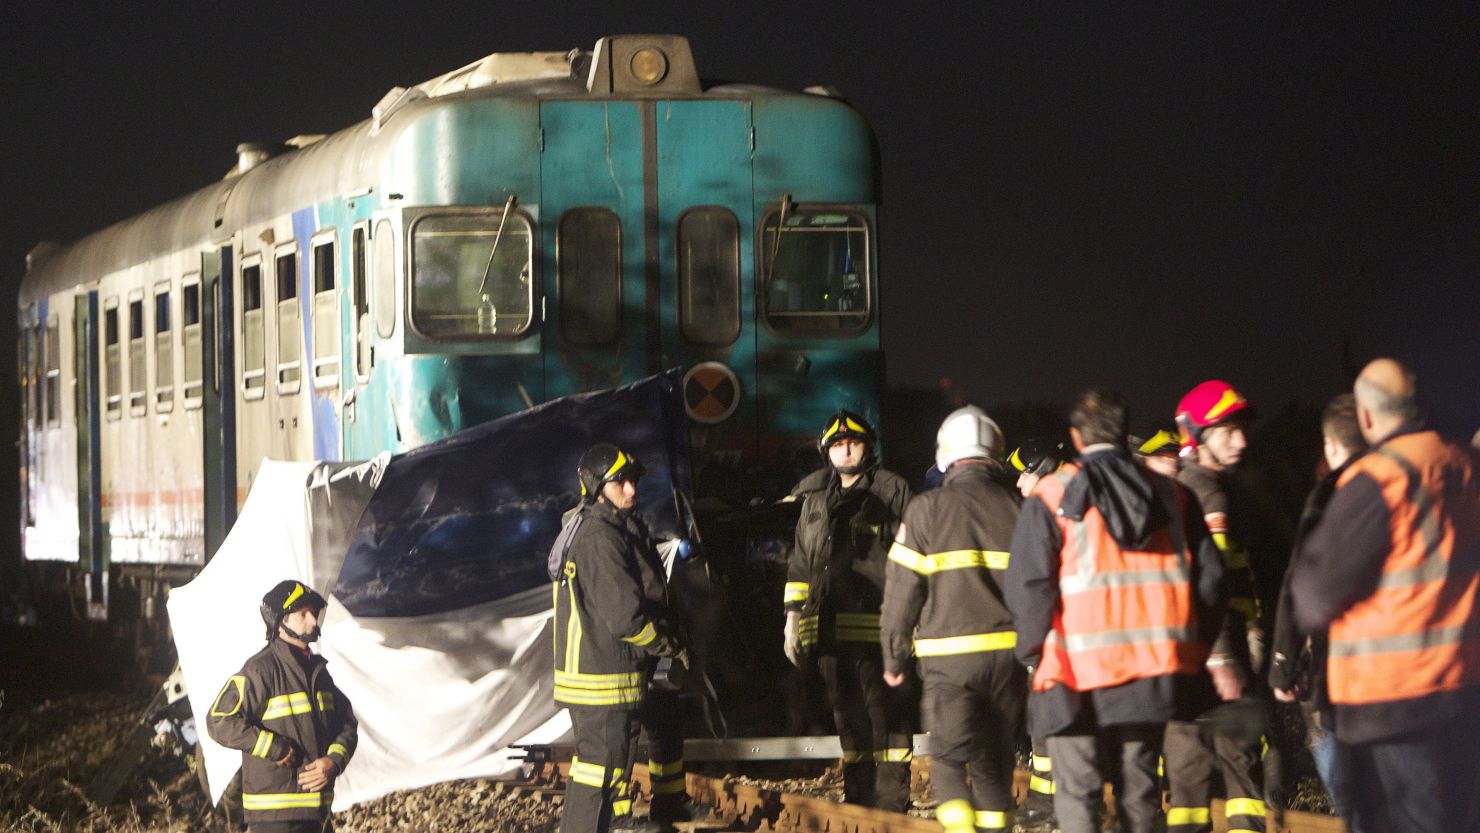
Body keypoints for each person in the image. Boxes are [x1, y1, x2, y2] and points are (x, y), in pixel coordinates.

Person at [1005, 389, 1229, 833]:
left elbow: (1028, 587)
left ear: (1076, 437)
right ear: (1125, 431)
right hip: (1150, 674)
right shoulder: (1172, 495)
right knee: (1140, 793)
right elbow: (1213, 582)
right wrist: (1192, 650)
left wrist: (1034, 654)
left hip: (1072, 675)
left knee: (1078, 796)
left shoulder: (1051, 495)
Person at [1289, 359, 1480, 832]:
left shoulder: (1380, 478)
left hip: (1392, 696)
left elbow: (1315, 593)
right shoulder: (1463, 463)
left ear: (1367, 417)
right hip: (1463, 688)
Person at [880, 406, 1021, 832]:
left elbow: (901, 592)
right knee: (994, 768)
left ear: (946, 454)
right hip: (1010, 661)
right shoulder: (1018, 507)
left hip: (949, 663)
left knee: (946, 762)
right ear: (995, 453)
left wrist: (893, 656)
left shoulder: (926, 509)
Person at [552, 444, 690, 833]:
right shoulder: (600, 537)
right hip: (602, 679)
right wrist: (669, 647)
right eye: (619, 483)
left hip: (609, 677)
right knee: (599, 772)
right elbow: (625, 617)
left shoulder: (610, 528)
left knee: (605, 771)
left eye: (632, 481)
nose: (631, 490)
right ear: (596, 488)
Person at [782, 410, 915, 810]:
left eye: (853, 442)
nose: (846, 450)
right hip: (826, 633)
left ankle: (891, 805)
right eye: (837, 445)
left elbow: (910, 560)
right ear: (827, 452)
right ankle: (858, 800)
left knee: (886, 720)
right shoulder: (815, 501)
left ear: (868, 445)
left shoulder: (891, 491)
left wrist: (911, 623)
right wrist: (791, 621)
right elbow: (801, 565)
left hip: (878, 631)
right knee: (848, 721)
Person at [1163, 379, 1271, 833]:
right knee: (1242, 776)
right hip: (1215, 661)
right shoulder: (1209, 494)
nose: (1240, 440)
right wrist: (1226, 657)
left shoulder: (1182, 487)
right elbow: (1213, 587)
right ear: (1195, 434)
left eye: (1240, 429)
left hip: (1181, 661)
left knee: (1188, 783)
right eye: (1227, 430)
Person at [1267, 393, 1364, 820]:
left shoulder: (1328, 497)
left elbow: (1299, 586)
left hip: (1339, 662)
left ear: (1330, 446)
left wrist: (1284, 662)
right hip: (1413, 670)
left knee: (1328, 740)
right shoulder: (1416, 485)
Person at [207, 580, 358, 833]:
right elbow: (219, 720)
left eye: (314, 613)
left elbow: (346, 723)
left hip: (317, 814)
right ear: (280, 622)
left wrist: (333, 762)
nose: (313, 621)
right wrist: (273, 747)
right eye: (303, 614)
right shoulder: (261, 670)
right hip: (274, 818)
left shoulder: (318, 674)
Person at [1007, 438, 1071, 829]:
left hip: (1053, 636)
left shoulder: (1044, 508)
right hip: (1078, 636)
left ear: (1041, 469)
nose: (1018, 484)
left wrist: (1030, 646)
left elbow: (1033, 582)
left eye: (1022, 474)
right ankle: (1051, 800)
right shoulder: (1079, 498)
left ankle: (1049, 804)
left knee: (1048, 725)